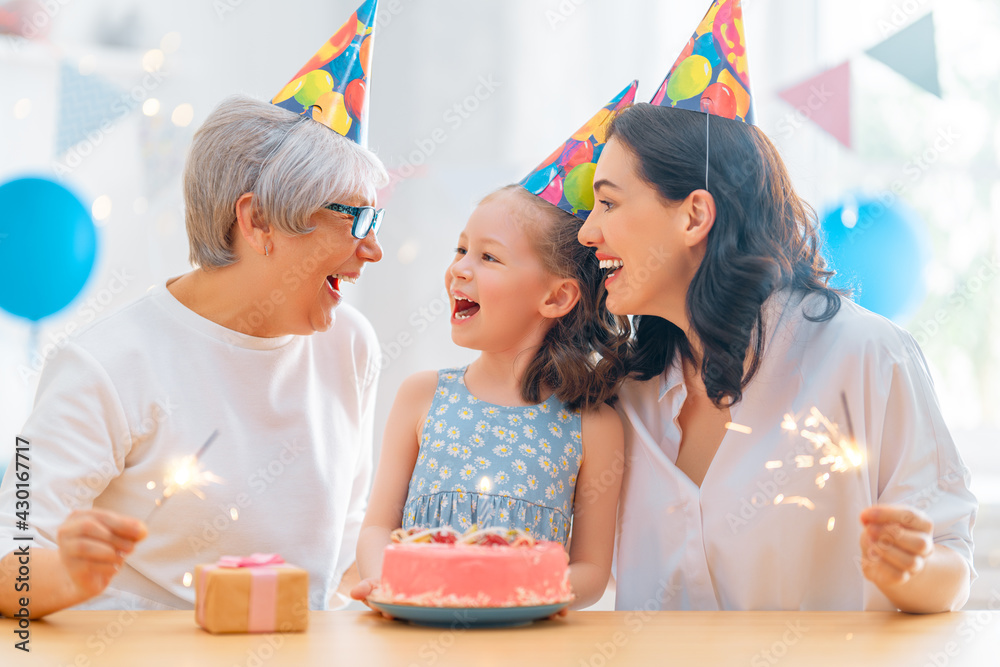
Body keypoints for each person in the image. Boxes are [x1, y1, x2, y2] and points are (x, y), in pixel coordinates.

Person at [579, 99, 977, 613]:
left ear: (694, 215)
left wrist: (912, 568)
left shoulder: (867, 355)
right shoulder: (625, 396)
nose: (588, 232)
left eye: (608, 204)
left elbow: (950, 563)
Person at [0, 91, 389, 618]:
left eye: (375, 220)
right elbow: (11, 557)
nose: (373, 249)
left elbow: (341, 549)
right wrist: (67, 577)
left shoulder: (352, 344)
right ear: (258, 222)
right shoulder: (105, 364)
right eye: (356, 219)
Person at [350, 182, 626, 609]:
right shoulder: (421, 396)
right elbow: (375, 529)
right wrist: (386, 579)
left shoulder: (593, 425)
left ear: (556, 296)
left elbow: (591, 571)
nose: (460, 268)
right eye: (461, 250)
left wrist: (508, 593)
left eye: (488, 257)